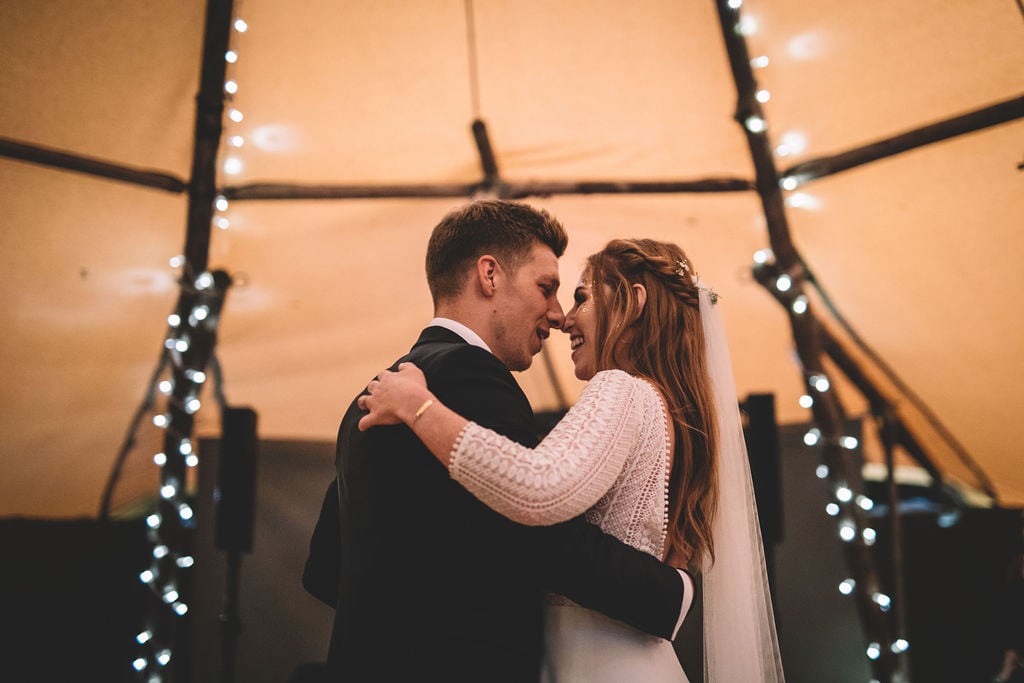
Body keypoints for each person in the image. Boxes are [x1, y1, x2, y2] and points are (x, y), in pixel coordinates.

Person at [359, 237, 786, 682]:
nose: (565, 319)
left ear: (635, 302)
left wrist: (419, 408)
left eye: (582, 297)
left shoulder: (621, 388)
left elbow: (538, 489)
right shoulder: (671, 412)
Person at [303, 202, 693, 682]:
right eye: (546, 288)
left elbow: (325, 568)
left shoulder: (373, 393)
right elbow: (546, 538)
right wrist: (671, 592)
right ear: (489, 275)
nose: (557, 315)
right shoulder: (470, 373)